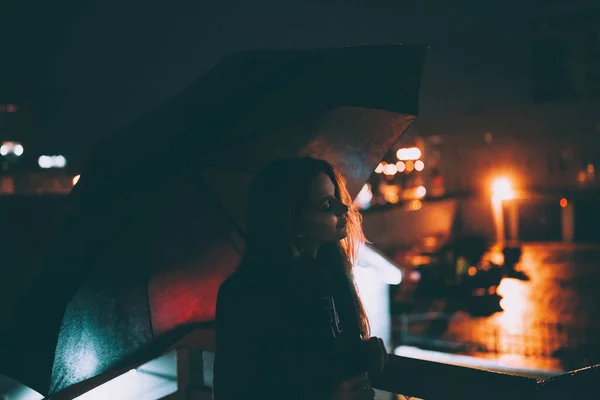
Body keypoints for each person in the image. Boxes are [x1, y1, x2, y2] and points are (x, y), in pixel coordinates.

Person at [213, 157, 389, 400]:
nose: (344, 209)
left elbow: (318, 360)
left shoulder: (330, 277)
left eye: (337, 197)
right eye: (327, 205)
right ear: (292, 221)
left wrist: (360, 352)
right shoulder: (245, 296)